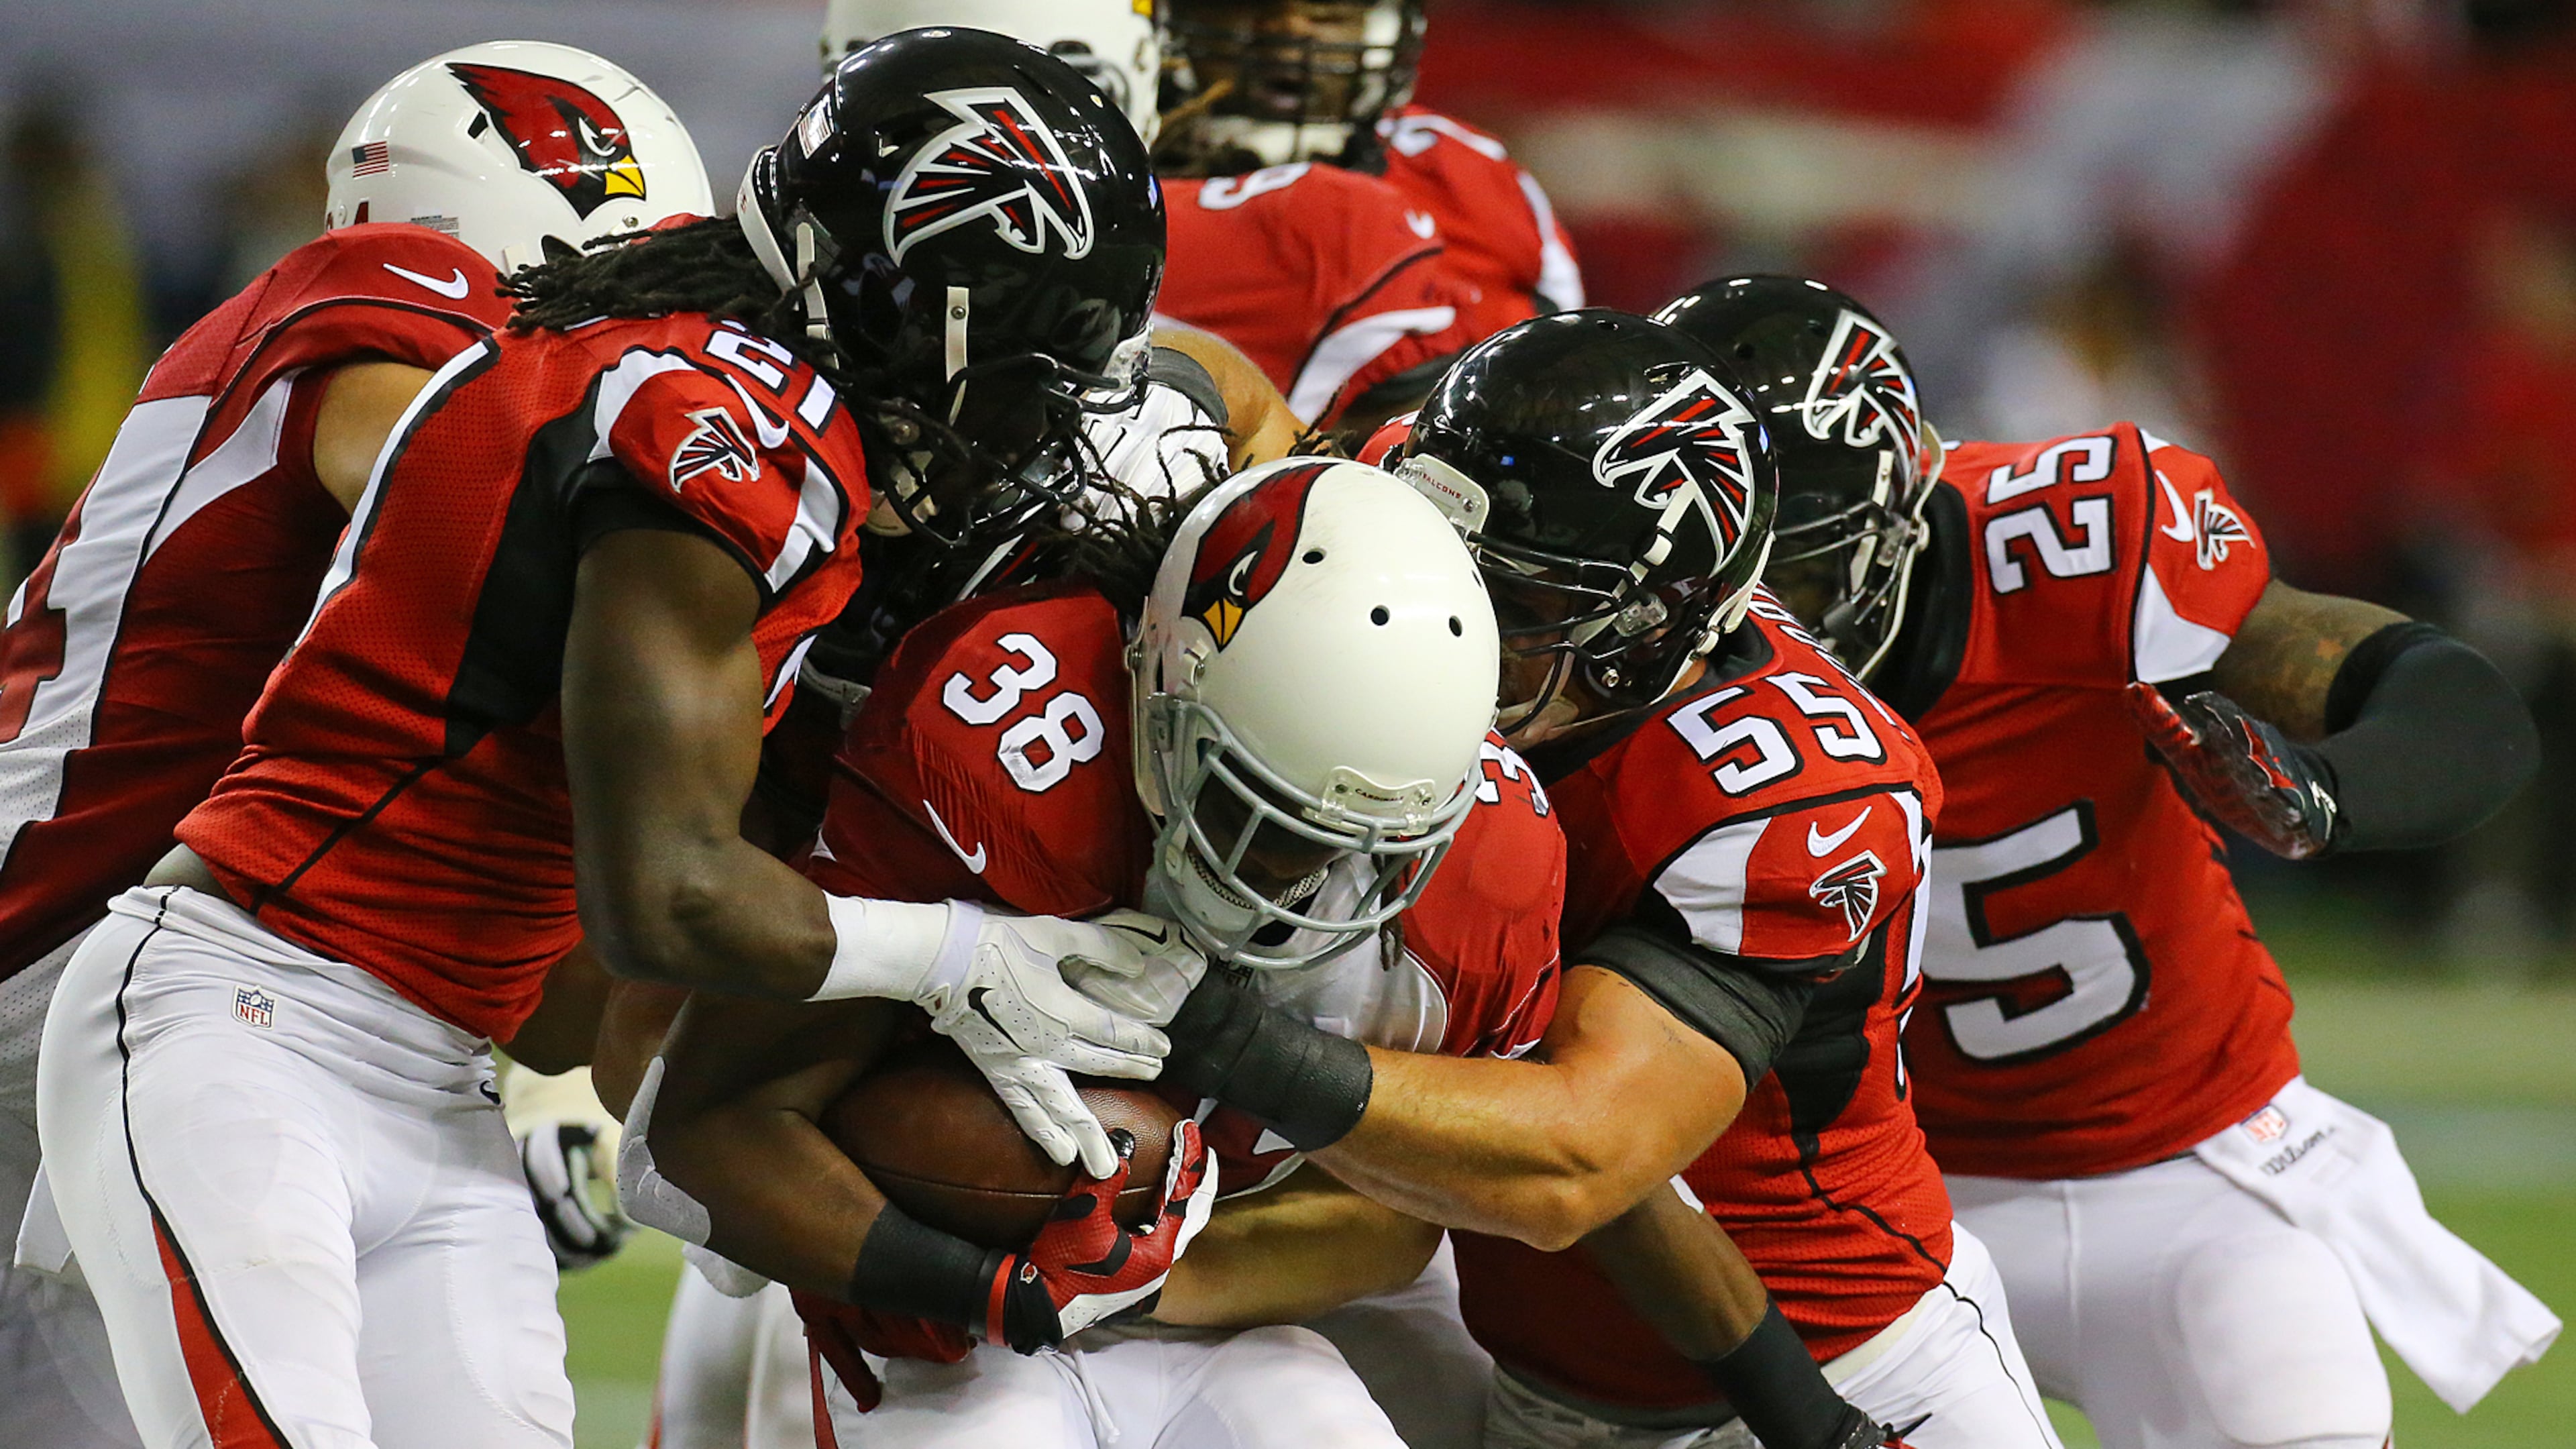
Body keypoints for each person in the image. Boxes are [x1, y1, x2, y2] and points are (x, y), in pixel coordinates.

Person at [34, 32, 1197, 1448]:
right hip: (241, 1020)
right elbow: (666, 899)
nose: (1034, 426)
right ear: (910, 303)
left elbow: (597, 980)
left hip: (441, 1080)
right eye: (1027, 372)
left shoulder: (762, 425)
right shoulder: (712, 419)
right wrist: (961, 959)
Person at [1656, 274, 2557, 1449]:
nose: (1758, 619)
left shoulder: (2073, 548)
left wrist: (2325, 795)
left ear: (1900, 505)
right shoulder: (1617, 654)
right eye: (1713, 573)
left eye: (1803, 570)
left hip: (2181, 1176)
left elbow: (2448, 702)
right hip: (1833, 1204)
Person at [1163, 311, 2059, 1448]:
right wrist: (1153, 381)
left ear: (1647, 637)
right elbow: (1245, 405)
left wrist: (1220, 1039)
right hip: (1545, 1375)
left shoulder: (1789, 796)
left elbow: (1579, 1159)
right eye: (1458, 576)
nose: (1452, 627)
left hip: (1857, 1350)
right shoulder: (1408, 505)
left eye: (1521, 609)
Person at [0, 42, 712, 1449]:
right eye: (624, 285)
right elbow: (466, 484)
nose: (655, 341)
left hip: (169, 961)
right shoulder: (387, 315)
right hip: (63, 956)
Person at [621, 457, 1553, 1449]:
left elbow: (1399, 1222)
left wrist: (1137, 1279)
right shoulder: (1005, 742)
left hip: (1231, 1313)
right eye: (1251, 802)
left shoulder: (1493, 871)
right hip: (939, 1328)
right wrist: (991, 1290)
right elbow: (695, 1139)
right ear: (1159, 675)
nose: (1290, 869)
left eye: (1358, 839)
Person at [1151, 0, 1568, 435]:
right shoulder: (1109, 177)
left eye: (1330, 12)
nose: (1289, 31)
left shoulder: (1466, 175)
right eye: (1245, 6)